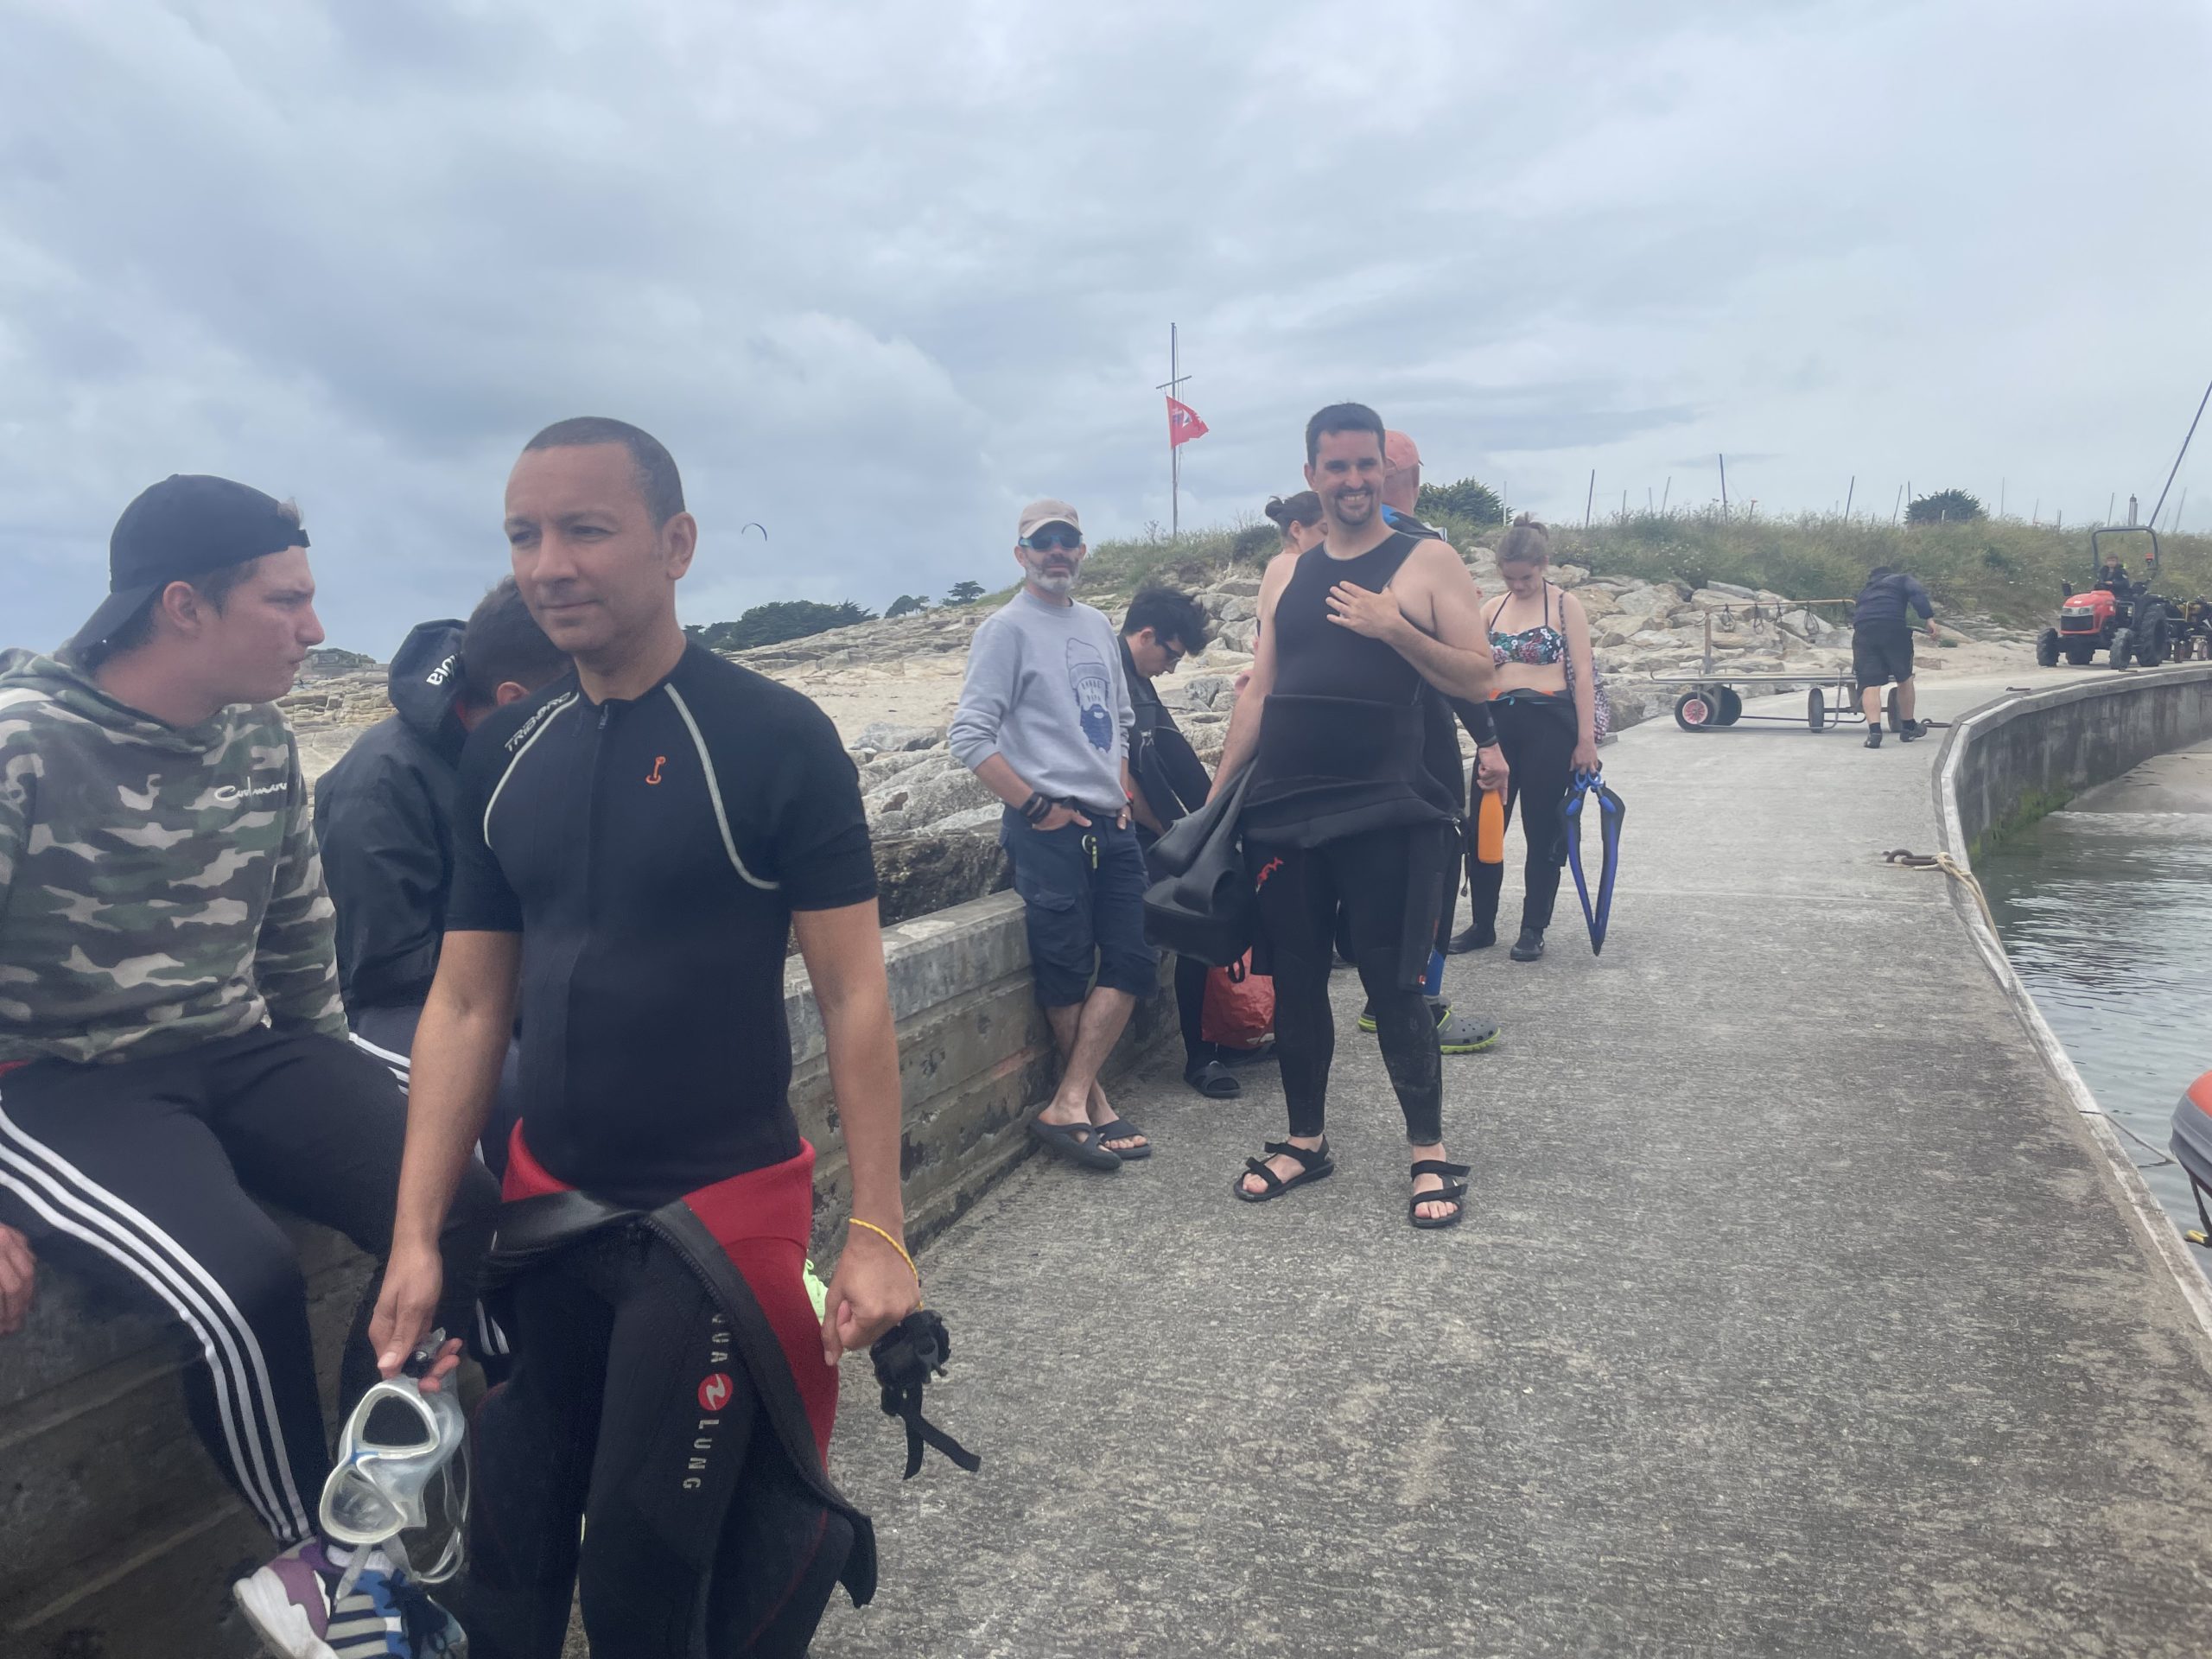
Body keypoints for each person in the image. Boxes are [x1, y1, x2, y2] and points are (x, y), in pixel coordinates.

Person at [368, 418, 918, 1657]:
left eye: (585, 530)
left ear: (676, 545)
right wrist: (415, 1235)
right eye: (524, 535)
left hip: (714, 1214)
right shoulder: (504, 752)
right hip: (548, 1205)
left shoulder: (774, 738)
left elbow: (853, 995)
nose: (549, 564)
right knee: (507, 1562)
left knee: (641, 1576)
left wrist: (878, 1229)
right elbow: (466, 1005)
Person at [0, 474, 498, 1657]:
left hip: (241, 1046)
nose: (315, 630)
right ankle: (322, 1562)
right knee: (242, 1282)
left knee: (459, 1192)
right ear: (184, 606)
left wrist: (343, 1098)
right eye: (287, 601)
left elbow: (295, 944)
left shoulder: (261, 740)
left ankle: (375, 1501)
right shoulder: (24, 743)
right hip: (63, 1081)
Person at [1214, 404, 1497, 1229]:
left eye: (1366, 464)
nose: (1352, 480)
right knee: (1297, 981)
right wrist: (1216, 803)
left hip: (1389, 807)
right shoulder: (1285, 573)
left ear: (1386, 470)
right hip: (1286, 808)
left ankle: (1428, 1154)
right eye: (1336, 467)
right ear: (1312, 475)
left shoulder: (1427, 560)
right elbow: (1260, 693)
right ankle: (1305, 1141)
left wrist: (1395, 628)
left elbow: (1480, 678)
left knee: (1392, 983)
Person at [313, 578, 567, 1177]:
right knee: (529, 1093)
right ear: (515, 702)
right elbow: (386, 967)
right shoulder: (381, 781)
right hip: (399, 1002)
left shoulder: (535, 754)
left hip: (514, 981)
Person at [949, 499, 1154, 1172]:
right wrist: (1037, 807)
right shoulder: (1004, 630)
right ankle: (1093, 1103)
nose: (1057, 551)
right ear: (1022, 555)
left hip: (1109, 822)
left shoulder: (1096, 624)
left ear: (1082, 549)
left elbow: (1120, 720)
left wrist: (1120, 792)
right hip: (1049, 827)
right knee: (1064, 972)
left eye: (1068, 540)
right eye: (1043, 542)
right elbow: (969, 736)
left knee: (1130, 959)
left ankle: (1069, 1101)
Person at [1375, 435, 1507, 1034]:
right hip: (1419, 739)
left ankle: (1383, 998)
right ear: (1409, 476)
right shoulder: (1422, 547)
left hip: (1351, 743)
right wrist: (1489, 740)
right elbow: (1458, 667)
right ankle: (1417, 1004)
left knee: (1373, 872)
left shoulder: (1326, 547)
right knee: (1433, 868)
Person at [1452, 516, 1599, 962]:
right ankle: (1482, 924)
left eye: (1526, 578)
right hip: (1498, 726)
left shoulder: (1565, 605)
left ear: (1543, 564)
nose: (1518, 586)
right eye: (1510, 578)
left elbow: (1584, 674)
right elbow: (1470, 669)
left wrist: (1586, 740)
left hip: (1548, 724)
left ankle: (1534, 927)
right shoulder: (1492, 609)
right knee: (1485, 828)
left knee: (1542, 828)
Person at [1120, 587, 1242, 1098]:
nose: (1171, 668)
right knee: (1192, 916)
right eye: (1170, 655)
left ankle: (1235, 1030)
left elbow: (1175, 756)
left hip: (1153, 831)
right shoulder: (1106, 678)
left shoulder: (1142, 685)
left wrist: (1218, 819)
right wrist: (1169, 832)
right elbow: (1119, 780)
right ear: (1146, 636)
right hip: (1121, 835)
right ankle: (1200, 1055)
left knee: (1221, 891)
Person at [1852, 563, 1938, 749]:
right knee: (1904, 677)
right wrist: (1928, 618)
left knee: (1870, 683)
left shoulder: (1866, 590)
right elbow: (1917, 594)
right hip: (1892, 628)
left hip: (1864, 631)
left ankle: (1874, 733)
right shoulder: (1902, 579)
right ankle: (1908, 727)